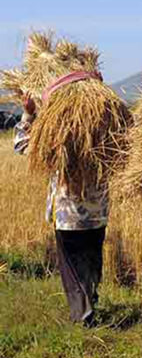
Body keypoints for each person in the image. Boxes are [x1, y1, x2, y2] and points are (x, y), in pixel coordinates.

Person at [13, 86, 109, 327]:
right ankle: (90, 302)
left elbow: (22, 145)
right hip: (97, 214)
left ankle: (83, 317)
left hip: (68, 216)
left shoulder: (56, 137)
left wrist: (29, 115)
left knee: (72, 267)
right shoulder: (104, 131)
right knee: (91, 260)